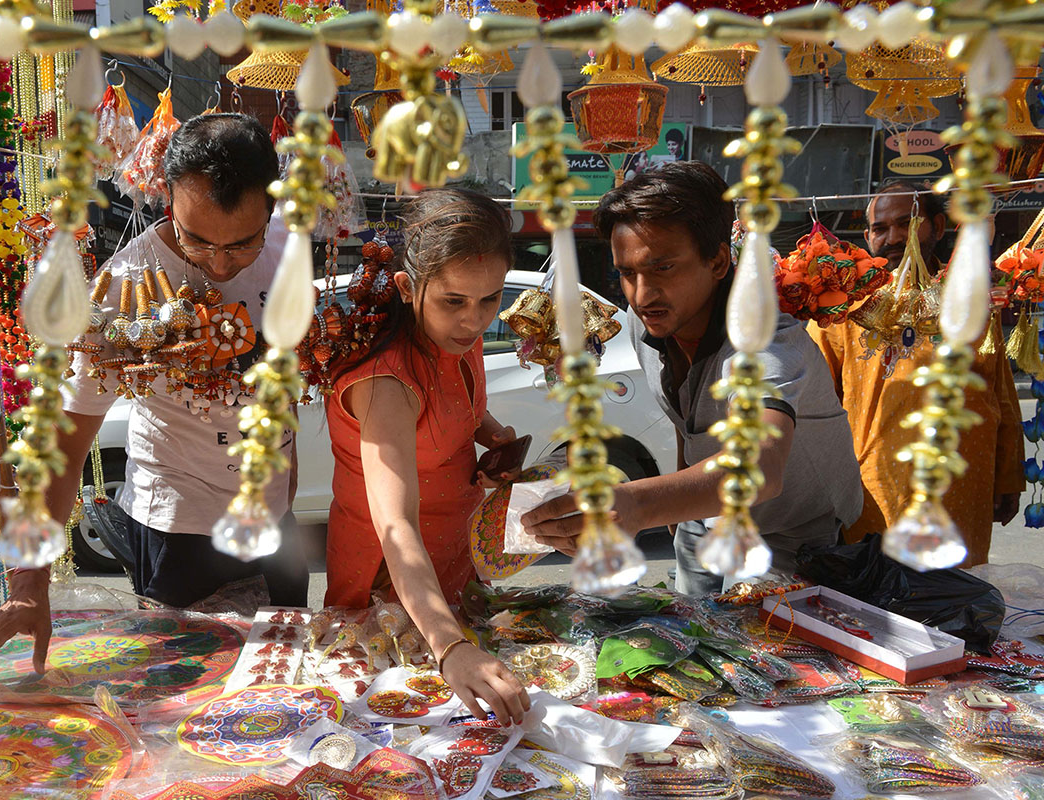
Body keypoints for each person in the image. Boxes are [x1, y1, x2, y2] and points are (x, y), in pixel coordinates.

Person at [0, 113, 309, 685]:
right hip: (180, 531)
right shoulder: (124, 286)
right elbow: (66, 447)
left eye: (242, 243)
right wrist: (30, 582)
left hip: (276, 519)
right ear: (168, 200)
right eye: (198, 240)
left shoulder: (290, 250)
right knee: (189, 694)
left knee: (282, 682)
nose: (219, 264)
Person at [523, 161, 863, 595]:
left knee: (761, 656)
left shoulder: (767, 343)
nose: (642, 295)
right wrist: (677, 513)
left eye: (663, 268)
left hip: (793, 534)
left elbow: (759, 467)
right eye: (627, 273)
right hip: (705, 519)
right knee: (689, 640)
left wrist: (639, 505)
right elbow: (689, 423)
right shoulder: (644, 322)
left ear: (718, 260)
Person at [325, 188, 530, 726]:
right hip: (389, 580)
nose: (476, 319)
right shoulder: (386, 382)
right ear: (407, 289)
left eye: (491, 299)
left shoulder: (459, 338)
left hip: (453, 556)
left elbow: (459, 405)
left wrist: (493, 436)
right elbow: (395, 525)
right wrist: (450, 646)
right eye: (455, 302)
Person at [808, 179, 1024, 566]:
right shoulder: (846, 304)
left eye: (906, 223)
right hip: (873, 486)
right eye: (879, 227)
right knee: (877, 608)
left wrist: (1008, 475)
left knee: (953, 606)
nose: (892, 238)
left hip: (960, 485)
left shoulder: (971, 296)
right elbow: (813, 401)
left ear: (938, 227)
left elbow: (999, 389)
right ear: (867, 235)